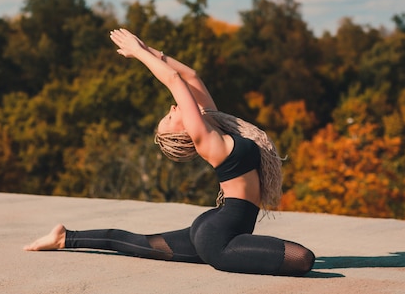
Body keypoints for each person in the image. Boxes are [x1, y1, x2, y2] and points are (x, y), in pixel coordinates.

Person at [23, 28, 315, 276]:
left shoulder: (215, 126)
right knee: (303, 259)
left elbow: (190, 76)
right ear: (182, 132)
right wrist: (138, 54)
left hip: (215, 227)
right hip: (219, 240)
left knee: (136, 242)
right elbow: (174, 81)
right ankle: (64, 238)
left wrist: (147, 48)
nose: (173, 108)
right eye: (170, 116)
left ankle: (65, 237)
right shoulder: (207, 140)